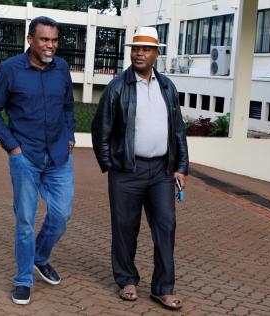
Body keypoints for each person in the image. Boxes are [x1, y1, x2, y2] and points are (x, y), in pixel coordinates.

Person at [91, 26, 189, 311]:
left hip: (161, 171)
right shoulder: (118, 87)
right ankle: (126, 280)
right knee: (124, 228)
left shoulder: (168, 87)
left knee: (166, 226)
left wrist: (181, 166)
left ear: (156, 54)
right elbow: (101, 129)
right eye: (135, 49)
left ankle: (163, 288)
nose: (139, 53)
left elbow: (178, 130)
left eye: (145, 49)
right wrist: (111, 165)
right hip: (126, 171)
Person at [0, 16, 75, 305]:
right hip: (26, 157)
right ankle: (24, 279)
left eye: (54, 40)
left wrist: (70, 136)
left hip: (59, 155)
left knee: (61, 215)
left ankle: (40, 257)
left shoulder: (62, 68)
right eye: (45, 39)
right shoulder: (10, 70)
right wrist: (12, 147)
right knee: (25, 221)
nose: (50, 45)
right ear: (30, 40)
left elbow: (69, 106)